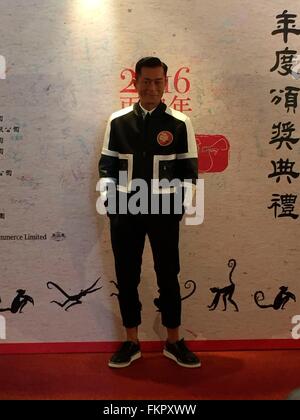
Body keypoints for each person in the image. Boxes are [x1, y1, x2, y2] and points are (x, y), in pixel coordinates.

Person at [98, 56, 200, 368]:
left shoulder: (180, 124)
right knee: (126, 275)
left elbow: (189, 172)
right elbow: (107, 167)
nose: (152, 88)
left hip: (164, 211)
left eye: (158, 82)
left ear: (166, 84)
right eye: (146, 81)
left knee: (168, 274)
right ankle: (131, 341)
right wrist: (113, 207)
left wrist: (177, 208)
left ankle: (174, 340)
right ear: (135, 82)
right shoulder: (117, 121)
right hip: (125, 211)